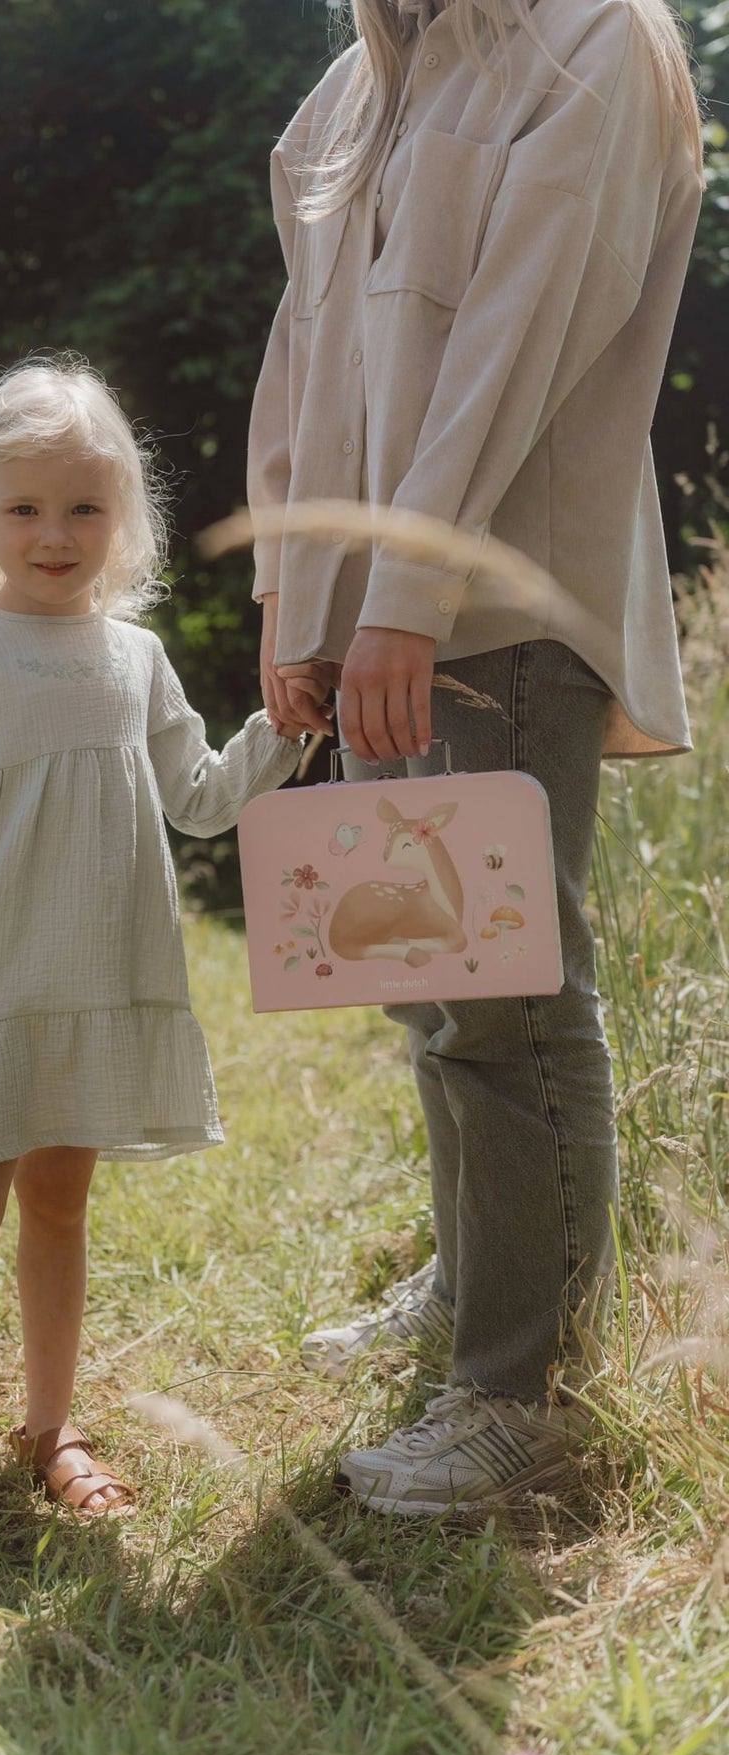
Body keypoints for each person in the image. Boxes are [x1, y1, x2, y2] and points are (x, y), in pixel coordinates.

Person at [248, 0, 704, 1514]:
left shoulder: (596, 41)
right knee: (434, 993)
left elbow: (517, 341)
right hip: (379, 618)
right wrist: (293, 604)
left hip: (497, 603)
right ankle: (468, 1298)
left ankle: (522, 1397)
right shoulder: (344, 93)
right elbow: (304, 361)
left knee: (504, 999)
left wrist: (406, 597)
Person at [0, 359, 301, 1557]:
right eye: (27, 509)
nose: (55, 534)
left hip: (94, 982)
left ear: (124, 518)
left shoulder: (135, 656)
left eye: (84, 508)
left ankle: (50, 1428)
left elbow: (197, 797)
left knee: (60, 1203)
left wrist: (284, 730)